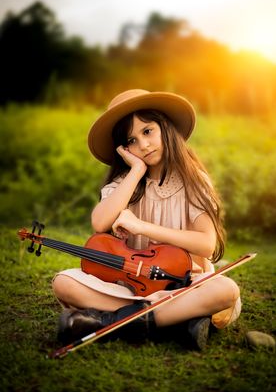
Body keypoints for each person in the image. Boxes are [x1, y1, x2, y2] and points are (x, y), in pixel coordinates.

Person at [52, 89, 241, 350]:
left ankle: (109, 321)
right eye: (131, 140)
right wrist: (137, 170)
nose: (143, 145)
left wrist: (143, 227)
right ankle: (174, 321)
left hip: (183, 283)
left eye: (148, 131)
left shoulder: (193, 181)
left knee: (225, 290)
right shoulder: (125, 183)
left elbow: (206, 244)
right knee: (63, 283)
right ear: (123, 148)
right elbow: (99, 222)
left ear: (165, 127)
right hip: (131, 288)